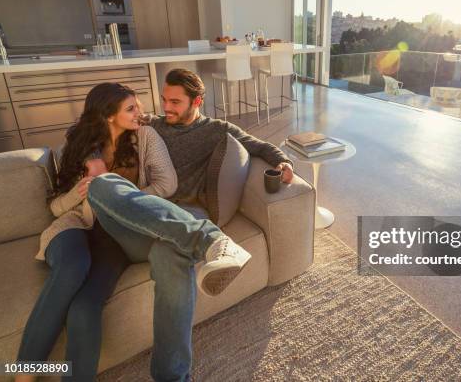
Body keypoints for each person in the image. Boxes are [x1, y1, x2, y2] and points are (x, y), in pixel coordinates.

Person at [86, 68, 294, 381]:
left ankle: (172, 377)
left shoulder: (215, 129)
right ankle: (211, 241)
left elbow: (258, 145)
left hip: (189, 213)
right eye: (164, 100)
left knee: (170, 257)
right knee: (100, 186)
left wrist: (283, 161)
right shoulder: (151, 124)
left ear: (196, 101)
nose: (166, 108)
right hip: (146, 213)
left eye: (175, 102)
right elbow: (106, 126)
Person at [16, 82, 178, 382]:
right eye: (131, 108)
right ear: (108, 115)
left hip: (115, 232)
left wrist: (121, 198)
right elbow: (56, 208)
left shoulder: (145, 136)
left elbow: (167, 184)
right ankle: (24, 375)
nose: (140, 113)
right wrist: (81, 190)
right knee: (72, 268)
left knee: (84, 306)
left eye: (138, 106)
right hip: (74, 225)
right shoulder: (77, 145)